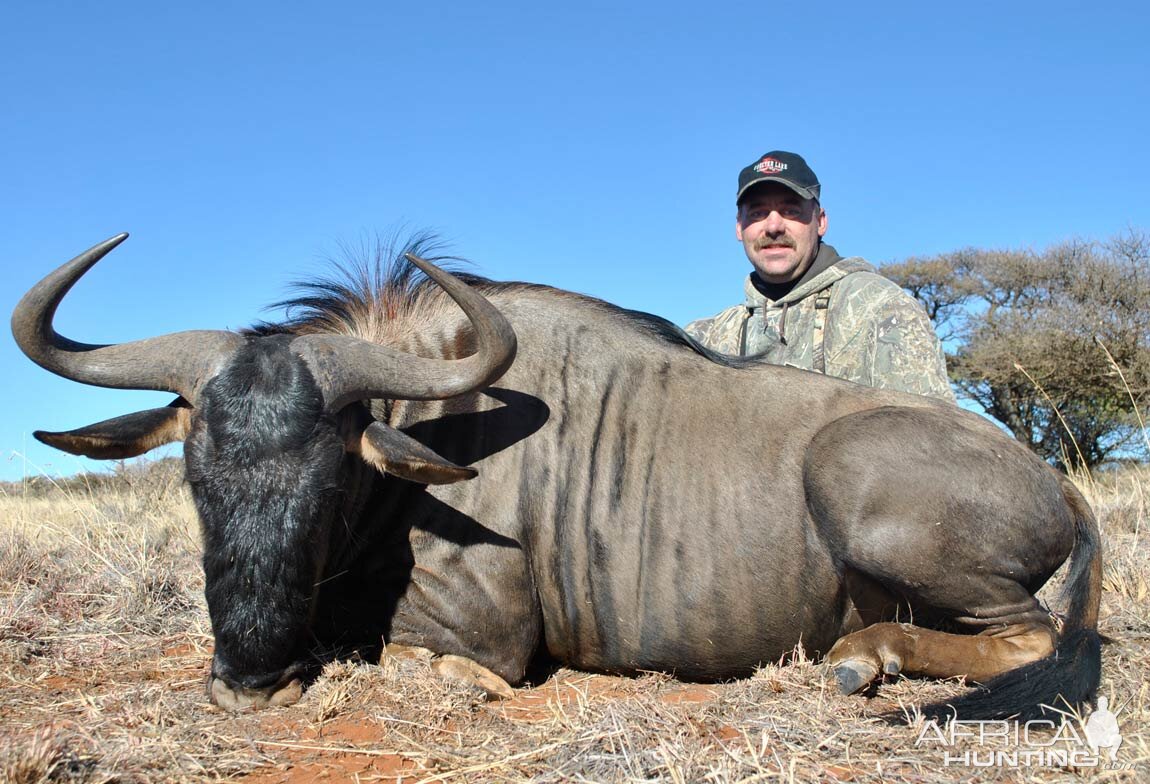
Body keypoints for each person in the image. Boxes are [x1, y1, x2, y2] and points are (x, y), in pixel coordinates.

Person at [685, 151, 955, 402]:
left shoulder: (883, 309)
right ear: (739, 228)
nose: (774, 226)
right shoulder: (704, 339)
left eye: (791, 211)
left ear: (821, 221)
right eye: (757, 213)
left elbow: (931, 441)